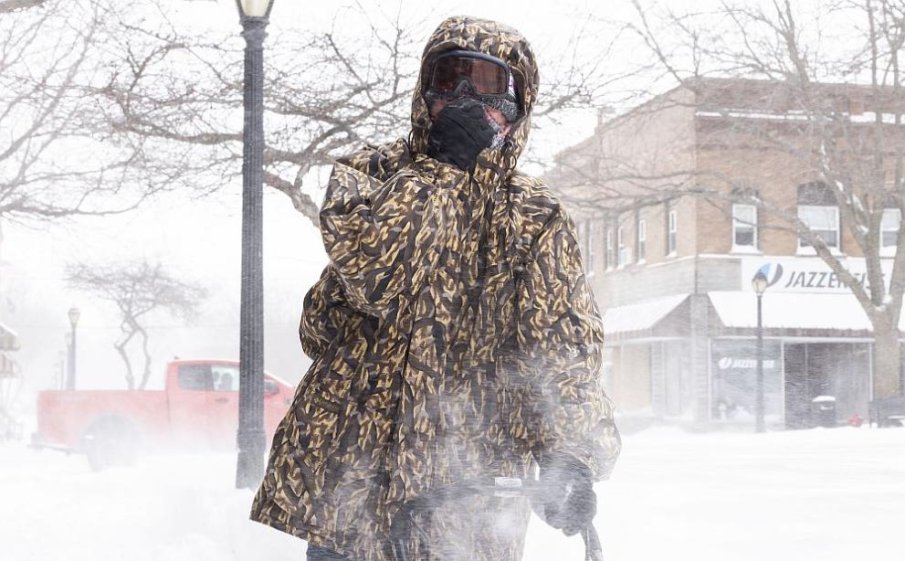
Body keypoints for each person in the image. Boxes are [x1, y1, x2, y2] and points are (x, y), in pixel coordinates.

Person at [250, 16, 621, 561]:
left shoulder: (535, 216)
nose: (467, 101)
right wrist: (444, 173)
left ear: (518, 104)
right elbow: (375, 273)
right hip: (354, 489)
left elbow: (561, 347)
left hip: (471, 492)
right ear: (426, 92)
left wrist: (571, 452)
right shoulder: (368, 176)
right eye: (451, 80)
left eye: (488, 85)